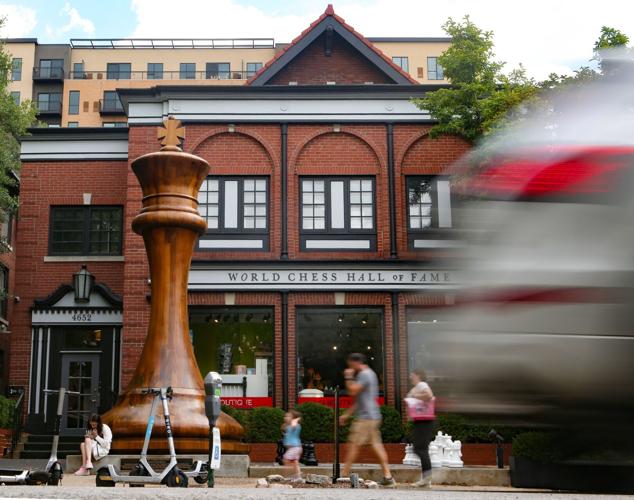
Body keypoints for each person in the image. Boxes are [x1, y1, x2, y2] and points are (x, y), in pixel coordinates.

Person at [339, 353, 395, 487]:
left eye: (351, 365)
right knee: (376, 446)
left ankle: (344, 475)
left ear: (356, 363)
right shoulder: (370, 374)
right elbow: (360, 400)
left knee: (353, 445)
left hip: (366, 418)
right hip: (372, 416)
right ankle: (388, 477)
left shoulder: (364, 374)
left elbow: (353, 391)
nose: (350, 367)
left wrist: (348, 376)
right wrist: (347, 414)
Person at [405, 368, 436, 488]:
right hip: (421, 421)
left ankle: (427, 478)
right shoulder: (417, 386)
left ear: (418, 375)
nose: (410, 377)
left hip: (425, 420)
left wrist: (414, 395)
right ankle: (426, 479)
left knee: (420, 449)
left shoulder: (421, 384)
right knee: (420, 448)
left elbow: (429, 395)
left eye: (412, 375)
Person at [282, 409, 302, 479]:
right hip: (295, 448)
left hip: (295, 447)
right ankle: (298, 475)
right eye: (285, 416)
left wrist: (295, 419)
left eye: (288, 416)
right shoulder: (288, 426)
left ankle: (288, 476)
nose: (286, 418)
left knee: (286, 459)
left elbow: (294, 425)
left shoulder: (296, 426)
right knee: (295, 462)